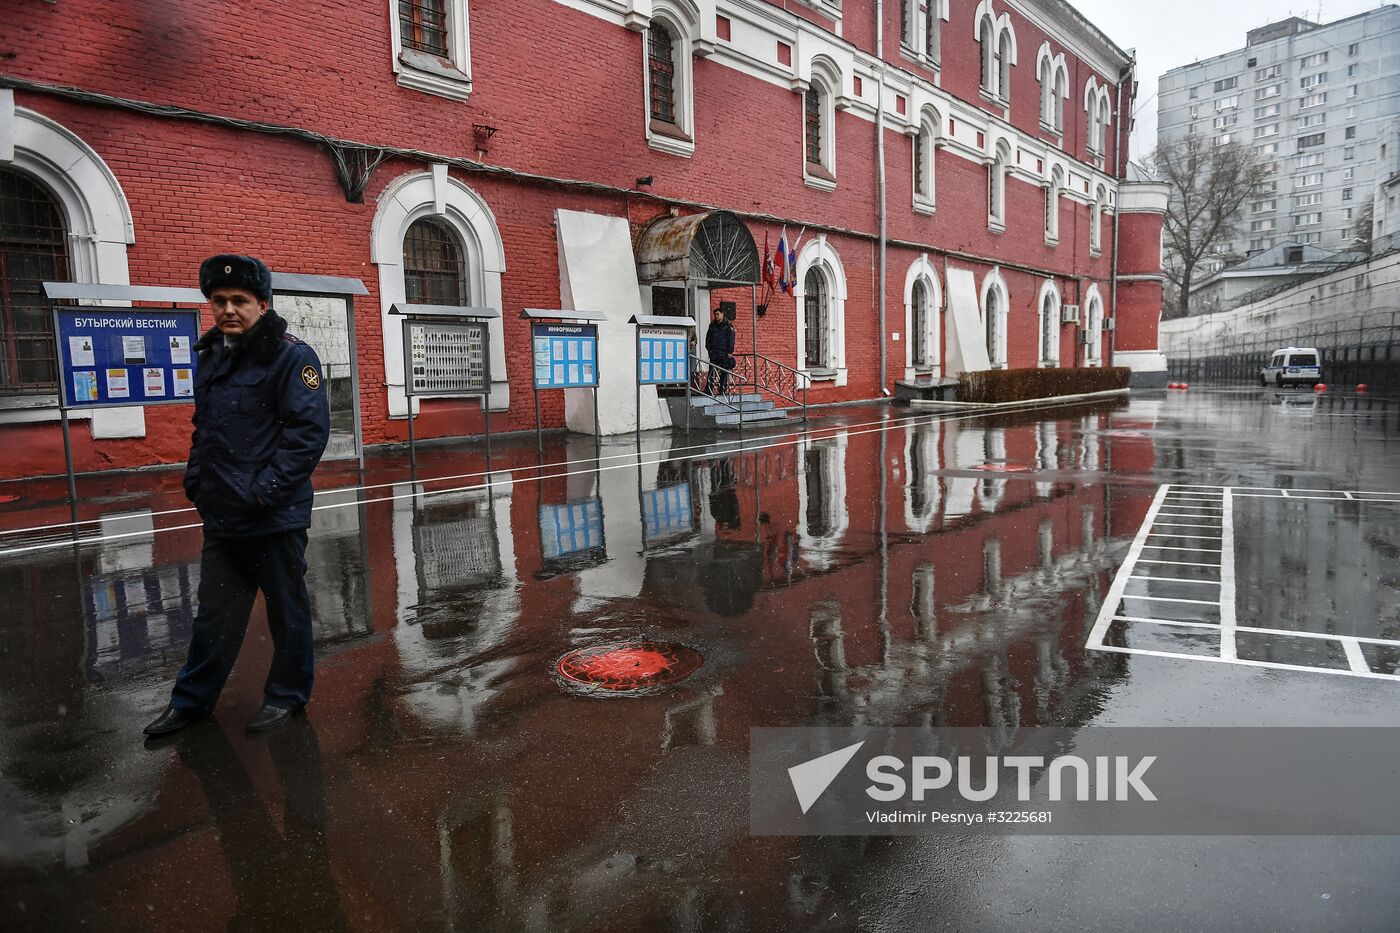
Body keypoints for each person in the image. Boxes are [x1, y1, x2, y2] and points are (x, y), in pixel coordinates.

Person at [144, 255, 330, 737]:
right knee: (214, 616)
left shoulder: (291, 356)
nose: (228, 309)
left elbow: (307, 435)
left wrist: (263, 491)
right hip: (222, 513)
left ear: (262, 304)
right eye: (219, 300)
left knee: (286, 611)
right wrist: (197, 480)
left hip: (272, 514)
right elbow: (205, 428)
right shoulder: (211, 356)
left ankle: (287, 696)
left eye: (239, 300)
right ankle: (191, 702)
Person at [704, 306, 736, 395]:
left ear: (722, 314)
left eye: (718, 314)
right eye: (715, 314)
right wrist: (709, 349)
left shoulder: (728, 325)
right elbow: (708, 338)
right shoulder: (712, 325)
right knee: (712, 372)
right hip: (714, 352)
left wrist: (730, 351)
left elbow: (731, 339)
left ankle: (722, 389)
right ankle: (709, 389)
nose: (716, 316)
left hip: (724, 353)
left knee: (724, 372)